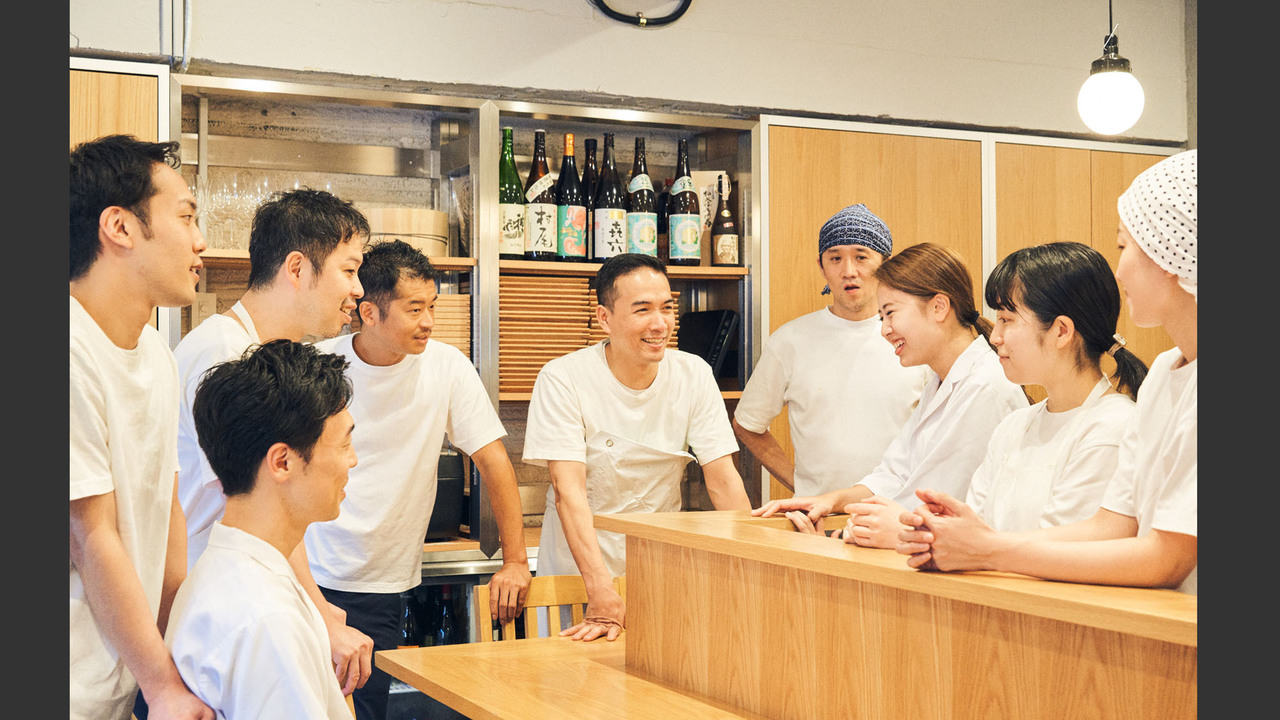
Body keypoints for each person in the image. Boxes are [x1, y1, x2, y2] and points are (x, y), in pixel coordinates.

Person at [897, 149, 1197, 594]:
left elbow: (1165, 558)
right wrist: (973, 542)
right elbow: (1112, 526)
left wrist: (987, 550)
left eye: (1124, 246)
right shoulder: (1163, 378)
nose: (1119, 269)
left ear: (1170, 252)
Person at [306, 239, 532, 720]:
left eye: (432, 306)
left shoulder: (446, 366)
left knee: (362, 710)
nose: (429, 321)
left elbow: (493, 461)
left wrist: (515, 561)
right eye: (414, 309)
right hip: (309, 569)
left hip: (383, 581)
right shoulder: (321, 364)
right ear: (369, 312)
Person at [172, 188, 374, 695]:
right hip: (229, 615)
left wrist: (316, 607)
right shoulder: (224, 353)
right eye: (348, 270)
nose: (359, 289)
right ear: (297, 268)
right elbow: (261, 501)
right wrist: (320, 616)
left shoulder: (254, 350)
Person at [523, 253, 753, 641]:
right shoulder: (564, 378)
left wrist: (755, 564)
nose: (659, 323)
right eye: (642, 310)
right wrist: (600, 592)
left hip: (656, 570)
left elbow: (723, 481)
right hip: (580, 575)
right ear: (604, 318)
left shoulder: (692, 373)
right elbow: (569, 492)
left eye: (667, 308)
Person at [70, 134, 214, 720]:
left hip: (120, 681)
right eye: (185, 217)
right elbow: (89, 535)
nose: (200, 242)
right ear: (120, 227)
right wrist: (161, 685)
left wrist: (169, 655)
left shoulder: (155, 351)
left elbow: (168, 508)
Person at [753, 242, 1028, 547]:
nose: (884, 329)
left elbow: (941, 500)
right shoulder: (940, 382)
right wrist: (832, 500)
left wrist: (849, 533)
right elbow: (895, 473)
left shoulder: (985, 387)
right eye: (882, 317)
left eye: (890, 314)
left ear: (939, 307)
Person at [166, 339, 358, 718]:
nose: (353, 460)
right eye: (344, 443)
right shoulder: (266, 621)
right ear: (282, 462)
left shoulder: (231, 572)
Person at [733, 203, 929, 497]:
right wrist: (801, 486)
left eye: (861, 257)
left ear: (886, 264)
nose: (849, 271)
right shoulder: (790, 341)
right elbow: (747, 424)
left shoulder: (915, 340)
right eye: (835, 258)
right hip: (818, 520)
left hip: (897, 518)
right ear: (821, 267)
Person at [965, 241, 1148, 532]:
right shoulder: (1013, 426)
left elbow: (1061, 553)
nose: (995, 336)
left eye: (1006, 320)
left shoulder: (1112, 428)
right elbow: (975, 528)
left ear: (1061, 331)